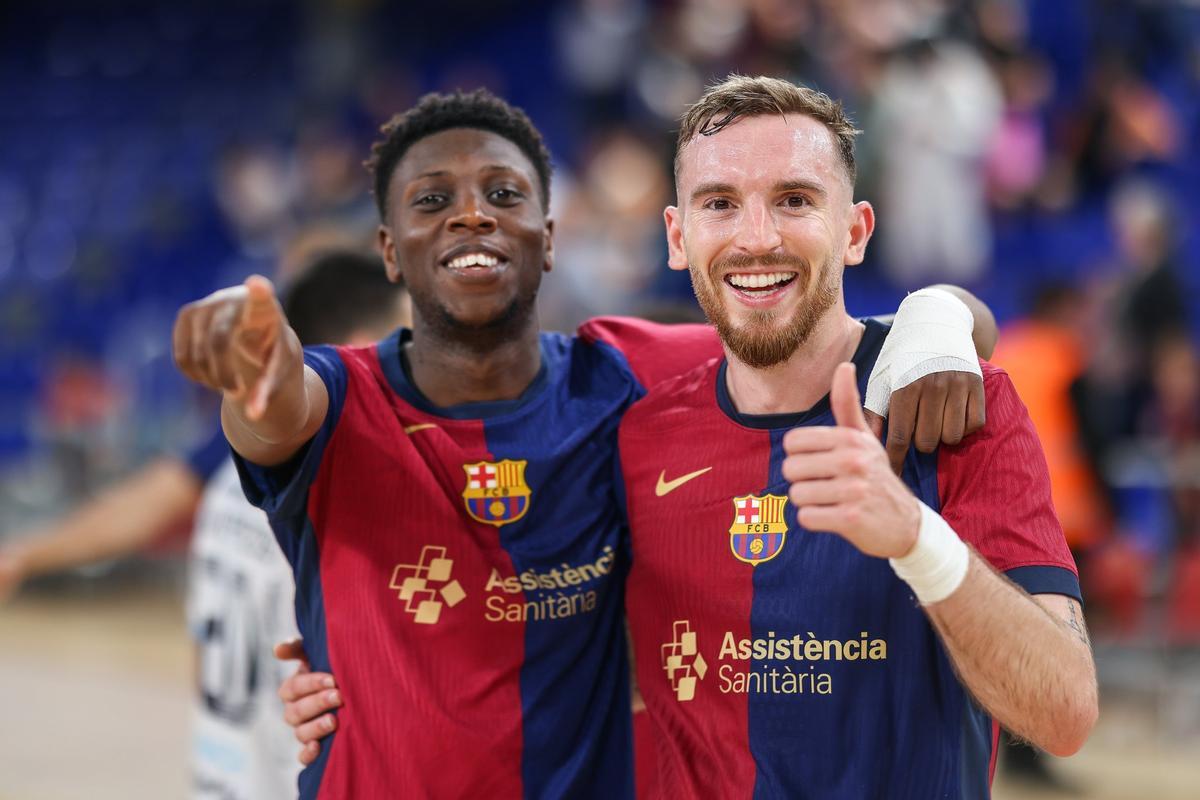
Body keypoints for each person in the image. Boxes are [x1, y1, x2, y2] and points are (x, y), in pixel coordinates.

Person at [172, 89, 998, 798]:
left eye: (503, 191)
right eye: (431, 200)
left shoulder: (627, 372)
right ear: (389, 249)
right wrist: (253, 360)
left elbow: (842, 335)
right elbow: (274, 409)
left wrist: (939, 323)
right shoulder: (340, 398)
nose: (470, 213)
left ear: (550, 234)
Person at [614, 76, 1097, 797]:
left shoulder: (956, 406)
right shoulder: (638, 434)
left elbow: (1064, 716)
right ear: (679, 238)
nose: (756, 237)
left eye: (795, 200)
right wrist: (948, 307)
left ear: (857, 231)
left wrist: (916, 539)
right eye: (720, 203)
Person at [1, 249, 409, 800]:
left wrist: (25, 554)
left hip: (224, 769)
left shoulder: (239, 450)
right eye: (407, 334)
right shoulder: (346, 474)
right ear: (364, 340)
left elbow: (143, 509)